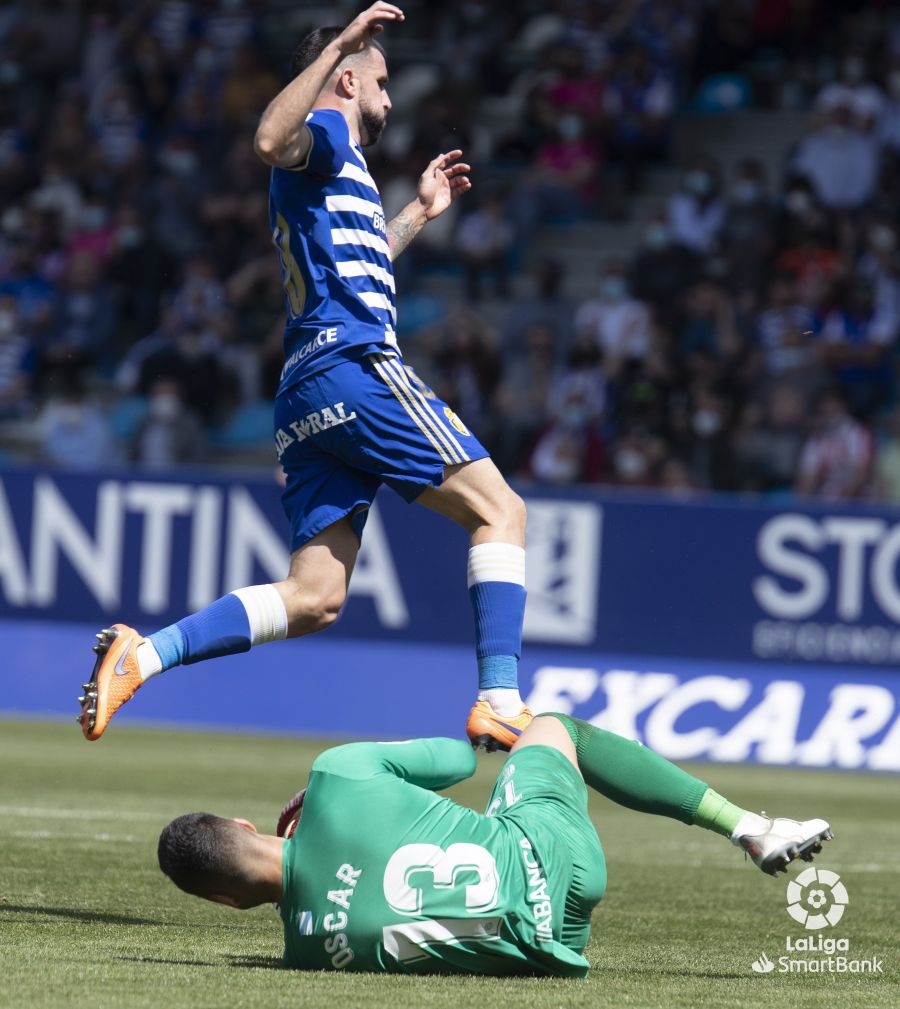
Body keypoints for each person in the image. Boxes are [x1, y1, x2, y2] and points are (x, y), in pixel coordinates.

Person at [76, 3, 532, 751]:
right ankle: (500, 697)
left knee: (317, 597)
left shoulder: (341, 172)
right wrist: (341, 45)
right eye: (380, 79)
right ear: (347, 77)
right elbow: (267, 138)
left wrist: (417, 214)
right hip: (353, 366)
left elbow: (361, 267)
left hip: (307, 391)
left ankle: (144, 654)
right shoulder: (322, 136)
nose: (391, 95)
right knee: (501, 511)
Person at [157, 714, 832, 976]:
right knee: (551, 728)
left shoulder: (307, 954)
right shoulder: (336, 773)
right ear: (248, 825)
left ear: (225, 900)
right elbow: (461, 756)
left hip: (553, 941)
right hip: (556, 856)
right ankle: (747, 826)